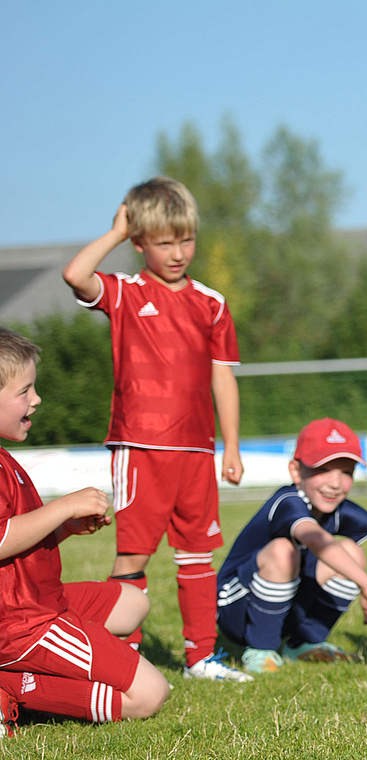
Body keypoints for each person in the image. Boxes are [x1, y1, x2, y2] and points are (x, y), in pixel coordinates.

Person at [61, 177, 251, 682]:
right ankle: (129, 656)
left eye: (186, 240)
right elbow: (75, 273)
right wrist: (116, 231)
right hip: (140, 447)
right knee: (134, 554)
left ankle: (201, 658)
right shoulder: (125, 293)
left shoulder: (211, 302)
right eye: (164, 242)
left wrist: (230, 444)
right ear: (140, 242)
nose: (178, 252)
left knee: (197, 552)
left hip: (195, 450)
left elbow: (222, 376)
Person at [0, 327, 170, 735]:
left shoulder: (6, 458)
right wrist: (65, 506)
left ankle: (80, 662)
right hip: (20, 625)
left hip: (41, 602)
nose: (36, 399)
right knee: (149, 694)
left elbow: (18, 541)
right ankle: (12, 684)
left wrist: (64, 528)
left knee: (132, 603)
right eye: (25, 391)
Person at [216, 418, 367, 674]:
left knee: (351, 552)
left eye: (346, 471)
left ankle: (304, 642)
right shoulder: (288, 501)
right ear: (296, 471)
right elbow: (316, 539)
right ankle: (261, 650)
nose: (335, 483)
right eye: (323, 469)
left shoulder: (337, 508)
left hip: (283, 603)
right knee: (283, 551)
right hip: (234, 608)